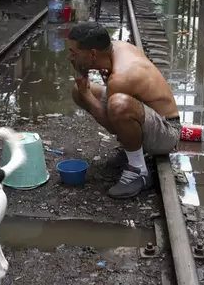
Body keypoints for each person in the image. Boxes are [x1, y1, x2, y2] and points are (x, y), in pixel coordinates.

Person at [68, 22, 181, 199]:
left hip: (167, 132)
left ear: (93, 54)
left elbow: (112, 125)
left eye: (74, 53)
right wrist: (82, 90)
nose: (70, 58)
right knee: (79, 93)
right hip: (148, 115)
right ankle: (134, 149)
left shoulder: (122, 76)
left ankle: (138, 171)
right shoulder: (117, 48)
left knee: (118, 105)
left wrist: (86, 93)